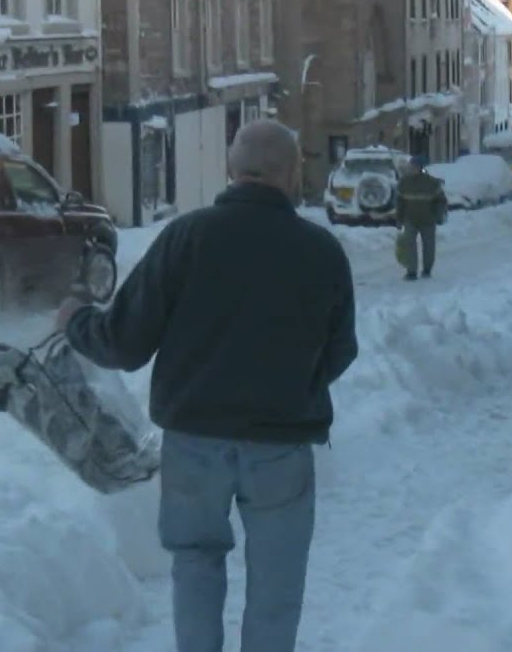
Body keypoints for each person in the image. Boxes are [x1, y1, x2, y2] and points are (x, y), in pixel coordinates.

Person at [55, 119, 359, 652]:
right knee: (277, 585)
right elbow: (340, 349)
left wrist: (76, 321)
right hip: (281, 446)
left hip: (194, 443)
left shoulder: (186, 238)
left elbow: (124, 343)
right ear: (291, 174)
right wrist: (292, 386)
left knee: (195, 565)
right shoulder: (321, 251)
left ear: (231, 169)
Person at [395, 154, 448, 281]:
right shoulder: (404, 182)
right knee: (410, 245)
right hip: (410, 219)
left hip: (428, 220)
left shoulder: (432, 182)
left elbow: (441, 201)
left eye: (413, 166)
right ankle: (411, 272)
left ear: (420, 167)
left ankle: (427, 269)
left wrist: (438, 215)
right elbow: (399, 202)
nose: (411, 168)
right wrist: (399, 218)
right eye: (410, 166)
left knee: (429, 246)